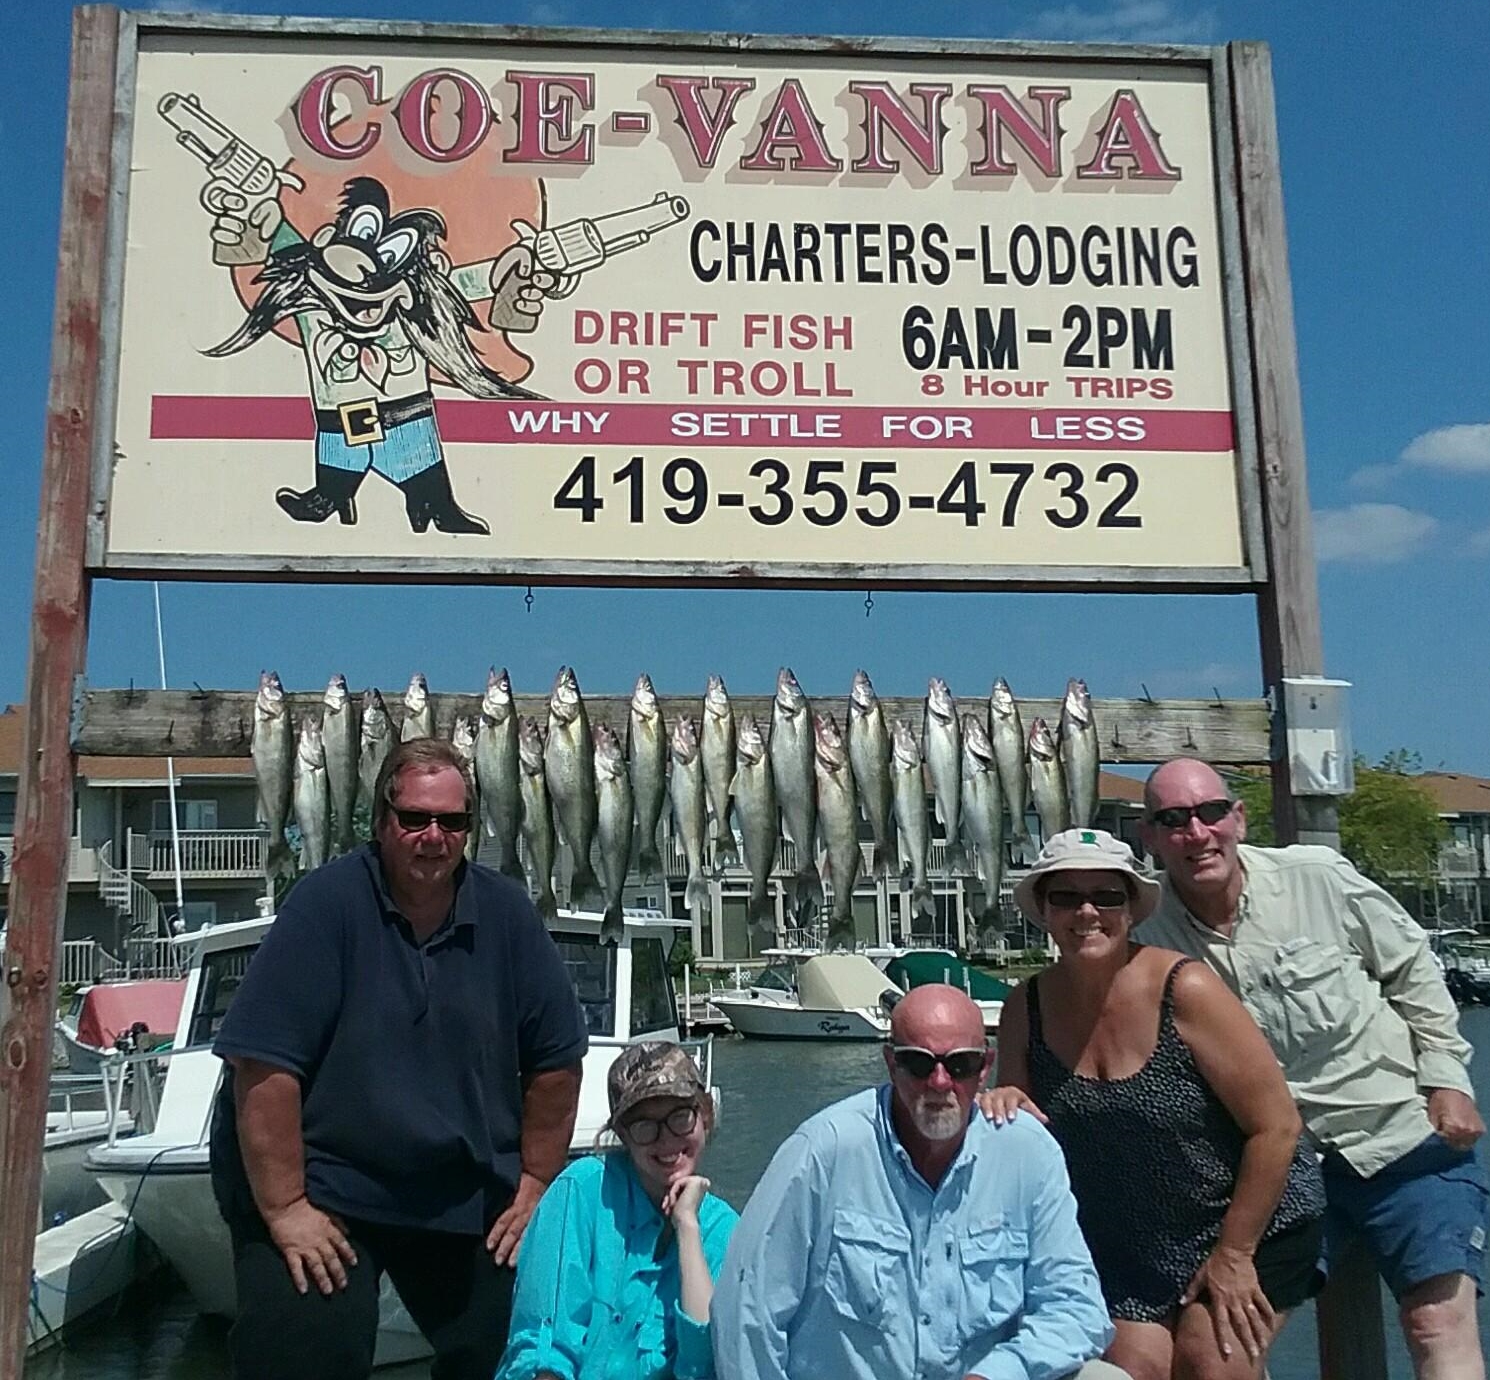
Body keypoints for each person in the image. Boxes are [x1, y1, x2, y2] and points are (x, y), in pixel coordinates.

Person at [209, 738, 588, 1380]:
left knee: (526, 1348)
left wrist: (535, 1184)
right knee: (301, 1353)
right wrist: (284, 1210)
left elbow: (557, 1060)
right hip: (324, 1186)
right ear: (383, 821)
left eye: (452, 821)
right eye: (415, 818)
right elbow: (263, 1070)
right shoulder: (323, 905)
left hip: (456, 1187)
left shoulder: (508, 915)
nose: (433, 836)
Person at [1138, 759, 1488, 1380]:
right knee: (1220, 1348)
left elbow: (1414, 971)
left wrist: (1447, 1080)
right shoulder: (1145, 933)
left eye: (1210, 812)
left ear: (1238, 819)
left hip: (1400, 1140)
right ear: (1152, 838)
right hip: (1270, 1172)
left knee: (1437, 1324)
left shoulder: (1318, 877)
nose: (1196, 832)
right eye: (1172, 820)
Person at [983, 829, 1324, 1380]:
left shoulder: (1186, 988)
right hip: (1127, 1242)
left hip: (1246, 1222)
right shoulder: (1027, 1004)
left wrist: (1234, 1256)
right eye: (1065, 897)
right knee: (1131, 1369)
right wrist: (1003, 1099)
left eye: (1107, 896)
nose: (1087, 912)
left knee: (1208, 1363)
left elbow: (1278, 1127)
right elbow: (1024, 1118)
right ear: (1043, 910)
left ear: (1132, 910)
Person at [712, 983, 1125, 1380]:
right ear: (891, 1063)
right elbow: (747, 1312)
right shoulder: (822, 1151)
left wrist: (1000, 1372)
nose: (939, 1082)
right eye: (918, 1063)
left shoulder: (1028, 1153)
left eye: (959, 1064)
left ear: (985, 1068)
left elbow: (1077, 1309)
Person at [497, 1040, 738, 1380]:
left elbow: (703, 1366)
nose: (666, 1139)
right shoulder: (580, 1190)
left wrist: (687, 1227)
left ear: (706, 1115)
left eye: (680, 1117)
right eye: (644, 1126)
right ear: (622, 1133)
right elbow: (543, 1346)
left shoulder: (725, 1229)